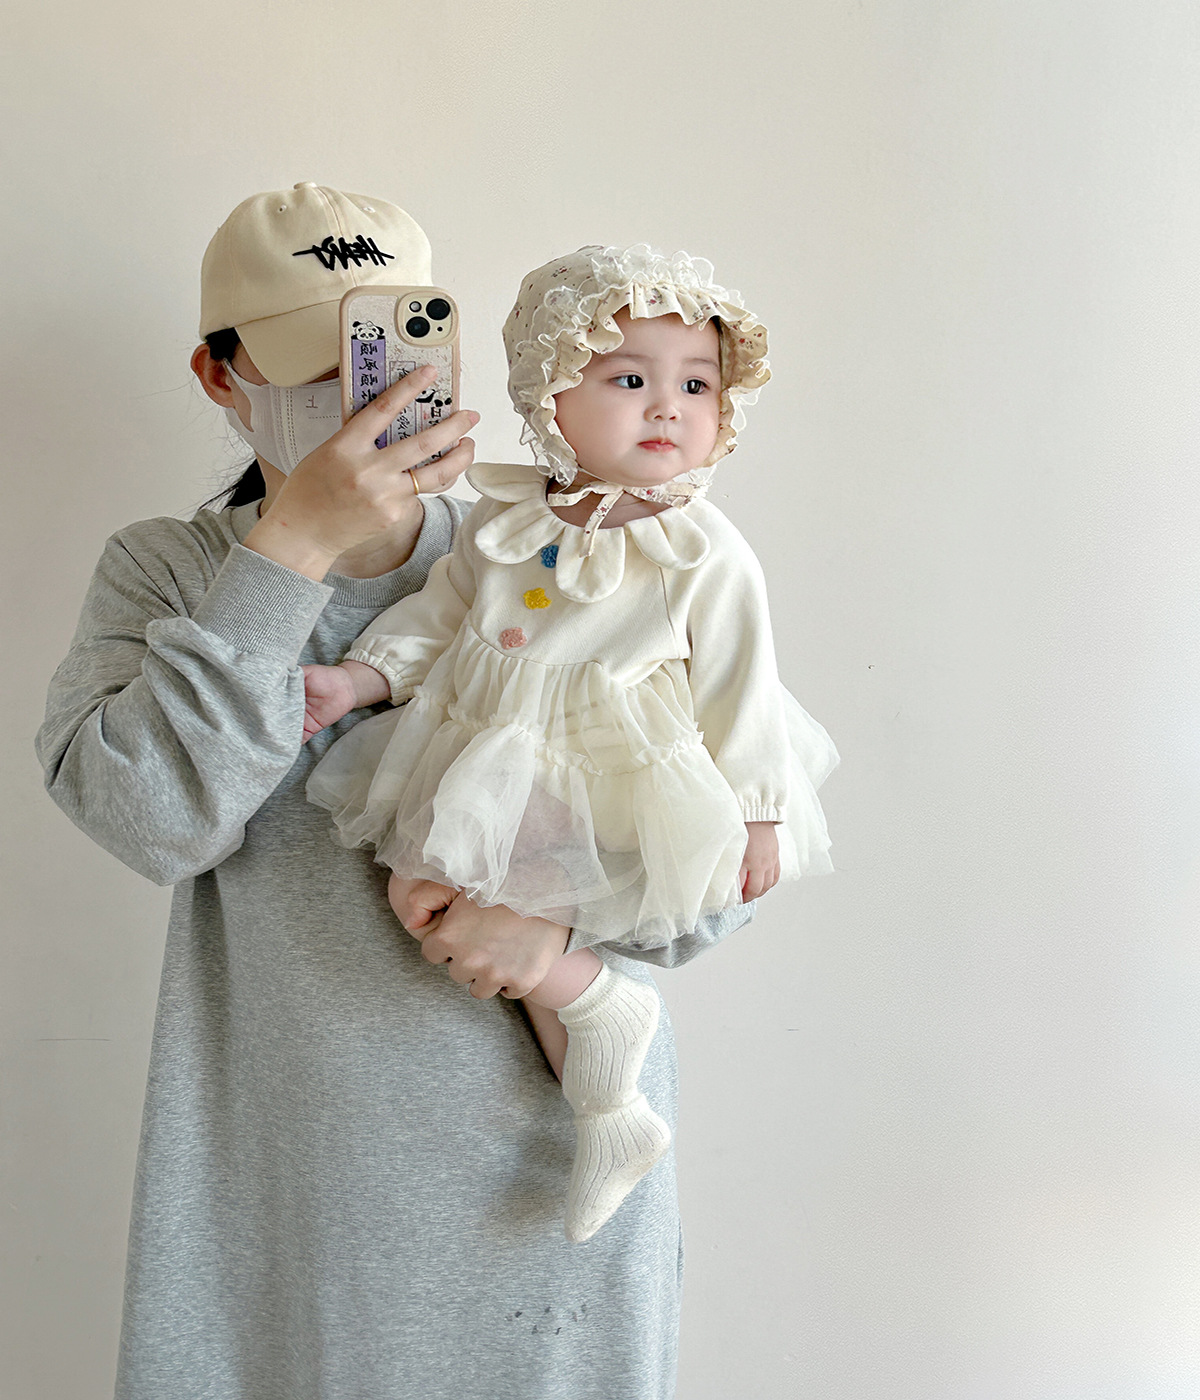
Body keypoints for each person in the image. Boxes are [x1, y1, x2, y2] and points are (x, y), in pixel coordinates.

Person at [35, 186, 758, 1400]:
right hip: (281, 1207)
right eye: (321, 365)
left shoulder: (555, 544)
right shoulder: (171, 572)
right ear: (221, 376)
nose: (365, 397)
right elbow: (155, 821)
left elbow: (713, 875)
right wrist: (288, 554)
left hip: (552, 1189)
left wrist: (551, 926)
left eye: (390, 350)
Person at [302, 245, 839, 1244]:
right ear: (550, 395)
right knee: (419, 888)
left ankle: (601, 1055)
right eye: (630, 380)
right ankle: (608, 1086)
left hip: (608, 769)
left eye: (696, 385)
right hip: (493, 744)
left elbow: (741, 687)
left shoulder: (703, 550)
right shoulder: (506, 517)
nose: (668, 407)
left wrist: (759, 812)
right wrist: (361, 678)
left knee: (506, 902)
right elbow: (443, 618)